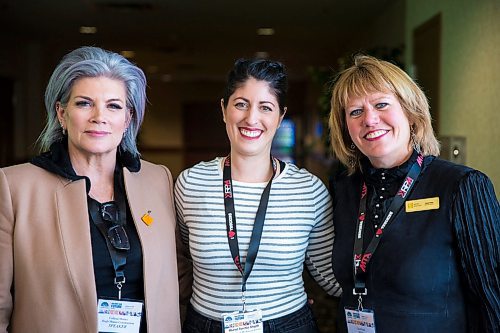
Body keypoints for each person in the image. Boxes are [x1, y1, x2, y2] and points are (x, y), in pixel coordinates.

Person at [0, 46, 181, 332]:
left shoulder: (158, 180)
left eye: (114, 105)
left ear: (128, 119)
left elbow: (178, 278)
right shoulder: (14, 187)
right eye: (84, 103)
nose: (100, 116)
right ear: (61, 113)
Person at [328, 54, 499, 332]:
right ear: (346, 128)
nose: (370, 119)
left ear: (411, 112)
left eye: (381, 104)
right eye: (355, 111)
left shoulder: (462, 186)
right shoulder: (343, 190)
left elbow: (491, 297)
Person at [174, 58, 341, 333]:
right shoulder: (191, 183)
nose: (251, 118)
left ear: (280, 116)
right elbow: (181, 260)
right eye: (241, 104)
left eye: (266, 107)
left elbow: (329, 275)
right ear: (223, 110)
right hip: (205, 324)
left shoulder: (308, 190)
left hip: (287, 324)